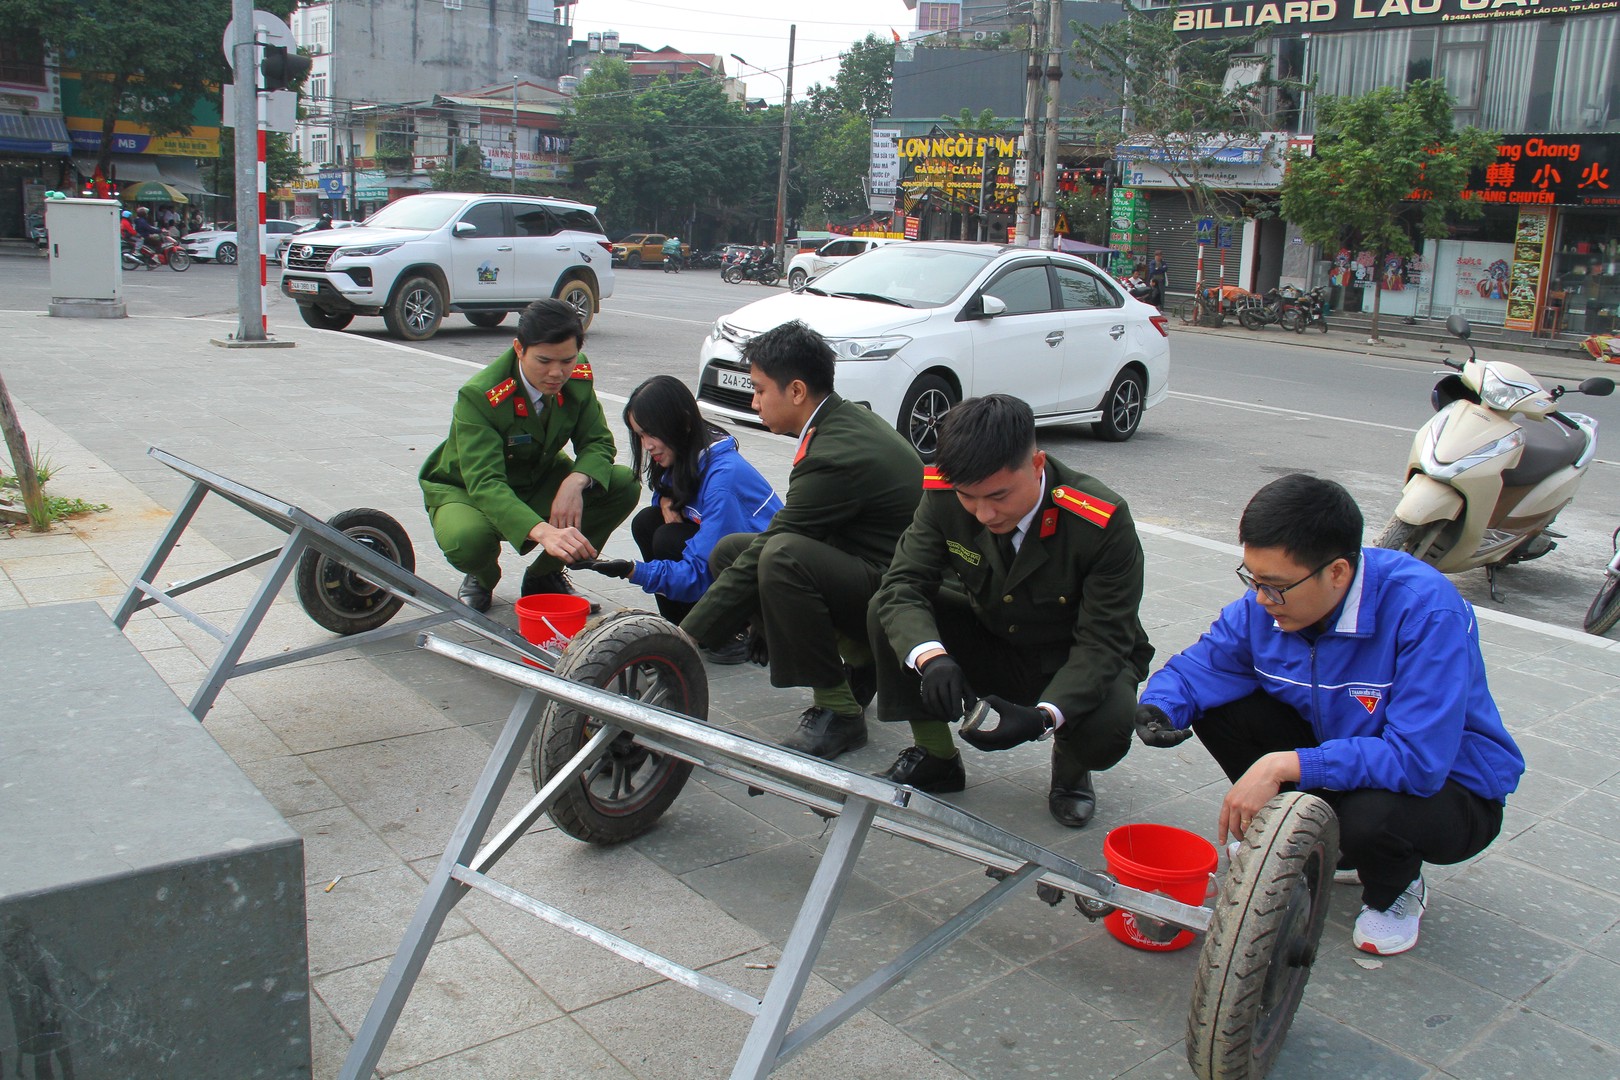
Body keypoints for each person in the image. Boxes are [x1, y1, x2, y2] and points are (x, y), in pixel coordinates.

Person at [1134, 474, 1524, 956]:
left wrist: (1283, 764)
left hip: (1449, 789)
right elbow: (1205, 666)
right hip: (1343, 751)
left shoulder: (1424, 611)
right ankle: (1321, 846)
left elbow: (1419, 761)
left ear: (1337, 572)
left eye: (1274, 586)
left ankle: (1395, 889)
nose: (1260, 599)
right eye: (1252, 579)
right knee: (1218, 706)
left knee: (1370, 815)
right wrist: (1161, 704)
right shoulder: (1270, 603)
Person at [868, 395, 1153, 827]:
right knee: (888, 614)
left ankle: (1072, 765)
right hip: (994, 634)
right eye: (969, 497)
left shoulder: (1099, 520)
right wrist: (932, 658)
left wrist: (1043, 717)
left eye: (999, 496)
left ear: (1037, 464)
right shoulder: (944, 494)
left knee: (1105, 731)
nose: (984, 513)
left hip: (1070, 656)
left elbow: (1103, 642)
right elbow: (903, 584)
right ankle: (936, 754)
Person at [679, 320, 922, 759]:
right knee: (731, 551)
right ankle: (859, 665)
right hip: (866, 566)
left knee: (780, 557)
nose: (753, 402)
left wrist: (685, 637)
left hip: (899, 592)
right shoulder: (838, 421)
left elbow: (782, 539)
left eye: (758, 390)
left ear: (795, 391)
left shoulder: (833, 453)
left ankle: (839, 710)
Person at [419, 298, 641, 613]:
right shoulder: (481, 395)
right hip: (467, 490)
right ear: (519, 349)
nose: (557, 372)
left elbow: (597, 442)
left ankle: (544, 576)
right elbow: (485, 481)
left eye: (567, 360)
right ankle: (482, 577)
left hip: (537, 479)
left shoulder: (576, 375)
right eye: (544, 360)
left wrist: (575, 483)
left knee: (621, 483)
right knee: (467, 539)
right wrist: (543, 531)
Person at [577, 375, 783, 656]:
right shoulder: (686, 453)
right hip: (725, 568)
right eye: (640, 435)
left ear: (683, 422)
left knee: (667, 537)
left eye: (652, 433)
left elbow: (702, 573)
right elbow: (670, 499)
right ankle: (681, 631)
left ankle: (729, 633)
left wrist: (631, 570)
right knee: (648, 522)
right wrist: (664, 500)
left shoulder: (724, 478)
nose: (647, 445)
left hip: (762, 585)